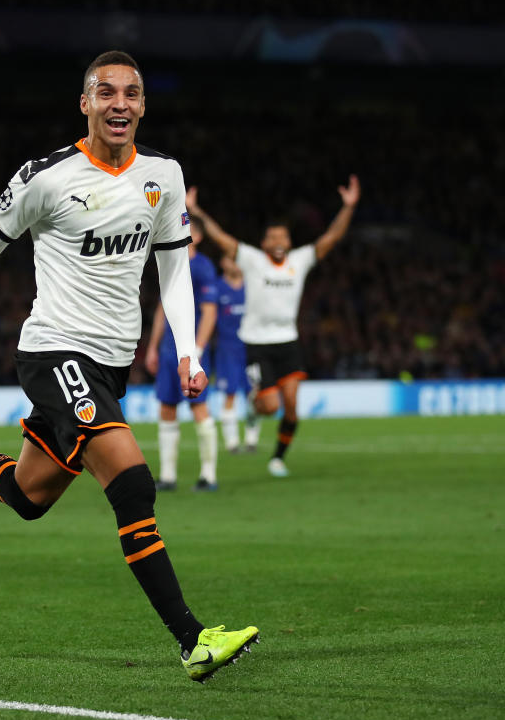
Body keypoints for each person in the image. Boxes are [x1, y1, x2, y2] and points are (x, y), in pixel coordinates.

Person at [0, 51, 258, 682]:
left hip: (111, 365)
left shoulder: (163, 175)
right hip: (54, 350)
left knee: (29, 495)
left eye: (131, 94)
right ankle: (193, 639)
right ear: (84, 103)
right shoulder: (45, 178)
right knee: (133, 482)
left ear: (143, 105)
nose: (120, 104)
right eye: (105, 93)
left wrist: (187, 350)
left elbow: (174, 269)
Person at [186, 176, 360, 477]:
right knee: (270, 407)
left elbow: (331, 237)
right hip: (256, 343)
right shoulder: (252, 260)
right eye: (273, 238)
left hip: (287, 342)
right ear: (265, 242)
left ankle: (278, 458)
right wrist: (195, 209)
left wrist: (348, 207)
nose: (279, 243)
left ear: (289, 242)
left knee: (291, 406)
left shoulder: (300, 259)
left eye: (283, 238)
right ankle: (255, 406)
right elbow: (220, 237)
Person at [144, 218, 219, 491]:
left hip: (191, 350)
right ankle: (167, 476)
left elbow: (210, 312)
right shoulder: (170, 262)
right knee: (167, 406)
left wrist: (196, 350)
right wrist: (153, 346)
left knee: (199, 406)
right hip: (167, 350)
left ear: (196, 236)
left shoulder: (202, 267)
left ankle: (208, 475)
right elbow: (164, 309)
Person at [211, 255, 258, 453]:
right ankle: (232, 443)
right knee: (229, 394)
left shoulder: (253, 287)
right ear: (223, 263)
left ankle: (251, 440)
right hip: (227, 350)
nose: (236, 264)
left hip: (251, 348)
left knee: (254, 394)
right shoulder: (217, 287)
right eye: (231, 260)